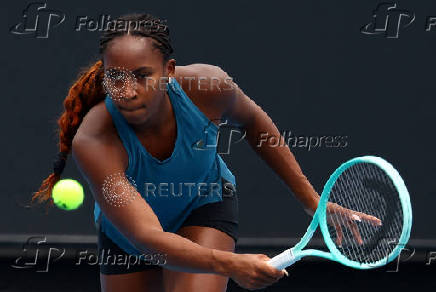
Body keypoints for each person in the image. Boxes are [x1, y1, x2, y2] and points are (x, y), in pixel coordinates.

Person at [33, 13, 378, 292]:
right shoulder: (94, 140)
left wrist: (311, 201)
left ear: (168, 72)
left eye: (142, 76)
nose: (128, 91)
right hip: (131, 238)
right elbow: (150, 239)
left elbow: (254, 122)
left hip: (204, 203)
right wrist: (231, 264)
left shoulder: (209, 88)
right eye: (116, 77)